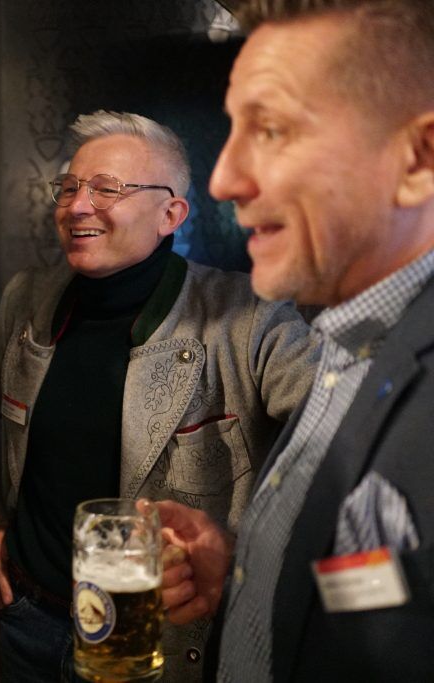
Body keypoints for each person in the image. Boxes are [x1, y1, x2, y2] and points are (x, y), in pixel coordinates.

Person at [0, 110, 318, 682]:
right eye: (70, 187)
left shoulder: (249, 319)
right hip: (31, 617)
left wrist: (247, 560)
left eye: (106, 188)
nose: (78, 206)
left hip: (160, 636)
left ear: (171, 214)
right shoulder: (28, 298)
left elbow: (339, 443)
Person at [157, 1, 434, 681]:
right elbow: (383, 595)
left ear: (418, 159)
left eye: (272, 129)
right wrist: (256, 571)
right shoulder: (345, 337)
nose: (224, 179)